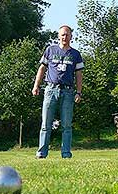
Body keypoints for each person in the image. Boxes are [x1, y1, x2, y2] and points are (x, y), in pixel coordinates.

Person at [32, 25, 84, 159]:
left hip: (67, 92)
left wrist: (79, 92)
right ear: (58, 36)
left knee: (66, 125)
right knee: (46, 124)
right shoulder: (50, 50)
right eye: (62, 34)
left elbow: (79, 74)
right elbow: (42, 69)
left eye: (67, 35)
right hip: (50, 89)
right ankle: (41, 153)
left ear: (71, 37)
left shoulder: (75, 54)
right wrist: (36, 86)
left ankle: (66, 153)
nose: (65, 37)